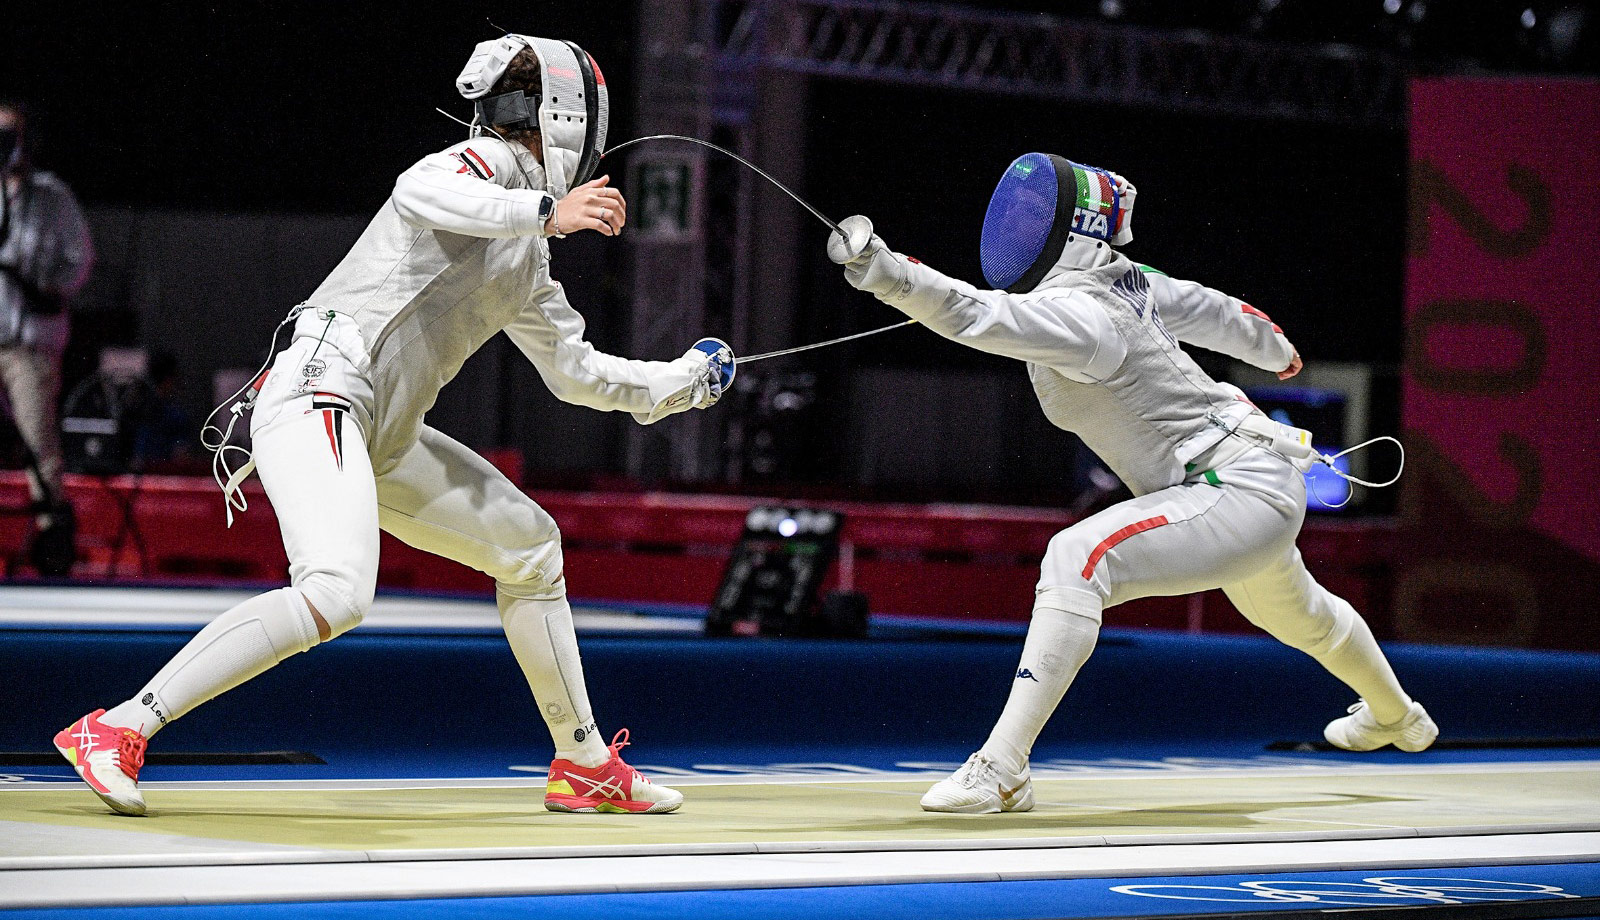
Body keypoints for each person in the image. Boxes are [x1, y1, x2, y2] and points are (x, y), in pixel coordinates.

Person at [53, 34, 733, 817]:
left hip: (383, 433)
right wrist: (547, 211)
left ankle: (582, 764)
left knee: (532, 549)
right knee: (338, 590)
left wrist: (679, 384)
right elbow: (418, 190)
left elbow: (578, 374)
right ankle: (117, 728)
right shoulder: (483, 172)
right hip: (319, 394)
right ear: (566, 118)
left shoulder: (525, 257)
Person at [828, 152, 1435, 814]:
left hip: (1230, 485)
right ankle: (1397, 718)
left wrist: (885, 272)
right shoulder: (1128, 282)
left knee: (1077, 557)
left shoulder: (1086, 315)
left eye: (1036, 216)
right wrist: (1275, 350)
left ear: (1076, 228)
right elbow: (1213, 308)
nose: (1019, 226)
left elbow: (974, 314)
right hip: (1242, 477)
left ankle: (1001, 769)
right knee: (1298, 614)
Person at [0, 98, 92, 568]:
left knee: (38, 438)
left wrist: (49, 287)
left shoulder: (51, 197)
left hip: (29, 342)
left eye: (9, 135)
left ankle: (53, 537)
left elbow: (80, 260)